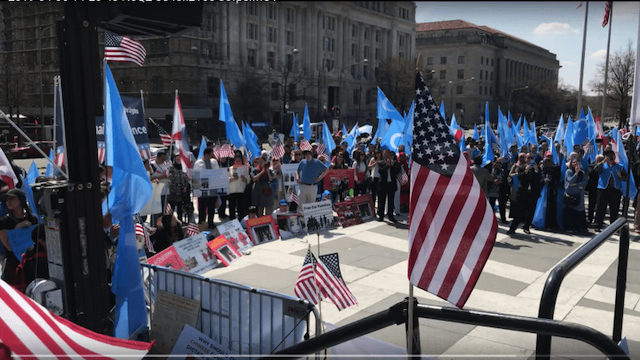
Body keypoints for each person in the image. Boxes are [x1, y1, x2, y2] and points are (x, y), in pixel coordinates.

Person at [0, 189, 38, 287]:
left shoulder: (33, 219)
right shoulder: (4, 222)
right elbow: (9, 246)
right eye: (7, 199)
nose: (9, 202)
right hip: (14, 265)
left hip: (32, 262)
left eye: (12, 198)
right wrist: (18, 227)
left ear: (21, 200)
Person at [593, 151, 627, 231]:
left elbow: (625, 178)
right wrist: (602, 162)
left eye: (608, 157)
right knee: (600, 208)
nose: (607, 158)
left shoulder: (620, 167)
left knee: (614, 209)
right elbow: (595, 170)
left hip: (615, 190)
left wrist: (620, 176)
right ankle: (598, 224)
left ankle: (614, 227)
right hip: (603, 189)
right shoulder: (602, 165)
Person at [507, 154, 539, 235]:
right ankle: (513, 228)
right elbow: (519, 177)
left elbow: (538, 178)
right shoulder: (521, 167)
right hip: (522, 193)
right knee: (519, 212)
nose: (530, 159)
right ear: (525, 159)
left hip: (532, 194)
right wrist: (526, 171)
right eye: (528, 158)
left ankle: (526, 227)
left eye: (531, 158)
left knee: (530, 212)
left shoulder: (536, 168)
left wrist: (536, 170)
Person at [193, 147, 219, 229]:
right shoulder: (198, 163)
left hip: (213, 188)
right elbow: (195, 176)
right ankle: (201, 223)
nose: (213, 156)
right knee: (202, 208)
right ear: (206, 154)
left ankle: (211, 222)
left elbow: (218, 173)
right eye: (211, 154)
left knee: (211, 207)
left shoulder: (214, 162)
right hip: (202, 189)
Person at [563, 158, 588, 232]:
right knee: (570, 211)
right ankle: (569, 227)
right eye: (574, 162)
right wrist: (576, 174)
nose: (576, 164)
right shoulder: (568, 171)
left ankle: (579, 227)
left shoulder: (582, 173)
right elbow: (570, 180)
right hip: (570, 195)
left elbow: (584, 182)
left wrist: (576, 184)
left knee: (579, 211)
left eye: (577, 163)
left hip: (579, 195)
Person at [377, 150, 401, 222]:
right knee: (382, 201)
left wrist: (392, 165)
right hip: (383, 184)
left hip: (391, 184)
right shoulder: (380, 162)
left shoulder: (395, 162)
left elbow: (398, 171)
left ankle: (391, 215)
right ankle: (381, 215)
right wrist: (387, 166)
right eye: (385, 154)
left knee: (391, 201)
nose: (386, 156)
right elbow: (381, 171)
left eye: (387, 154)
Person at [168, 156, 190, 222]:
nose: (178, 160)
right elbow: (169, 178)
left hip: (181, 192)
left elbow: (186, 179)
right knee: (171, 208)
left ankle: (180, 221)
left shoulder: (184, 168)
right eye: (177, 159)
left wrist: (185, 187)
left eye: (180, 159)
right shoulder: (171, 168)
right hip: (173, 191)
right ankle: (170, 221)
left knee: (180, 208)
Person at [228, 153, 249, 221]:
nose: (238, 162)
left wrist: (244, 178)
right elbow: (225, 179)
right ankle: (232, 220)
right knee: (232, 207)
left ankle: (241, 220)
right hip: (232, 191)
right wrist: (232, 179)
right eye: (236, 161)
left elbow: (248, 180)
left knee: (241, 207)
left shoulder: (244, 168)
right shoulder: (230, 169)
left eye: (239, 160)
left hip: (241, 191)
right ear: (234, 161)